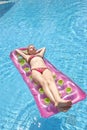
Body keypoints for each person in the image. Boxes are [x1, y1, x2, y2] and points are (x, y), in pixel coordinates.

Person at [16, 44, 72, 112]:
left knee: (51, 82)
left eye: (34, 47)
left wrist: (36, 52)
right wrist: (26, 52)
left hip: (45, 69)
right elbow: (17, 51)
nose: (33, 48)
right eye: (31, 48)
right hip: (35, 70)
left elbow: (44, 48)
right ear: (28, 51)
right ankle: (55, 102)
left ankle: (59, 100)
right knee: (44, 83)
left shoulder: (40, 55)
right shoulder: (27, 56)